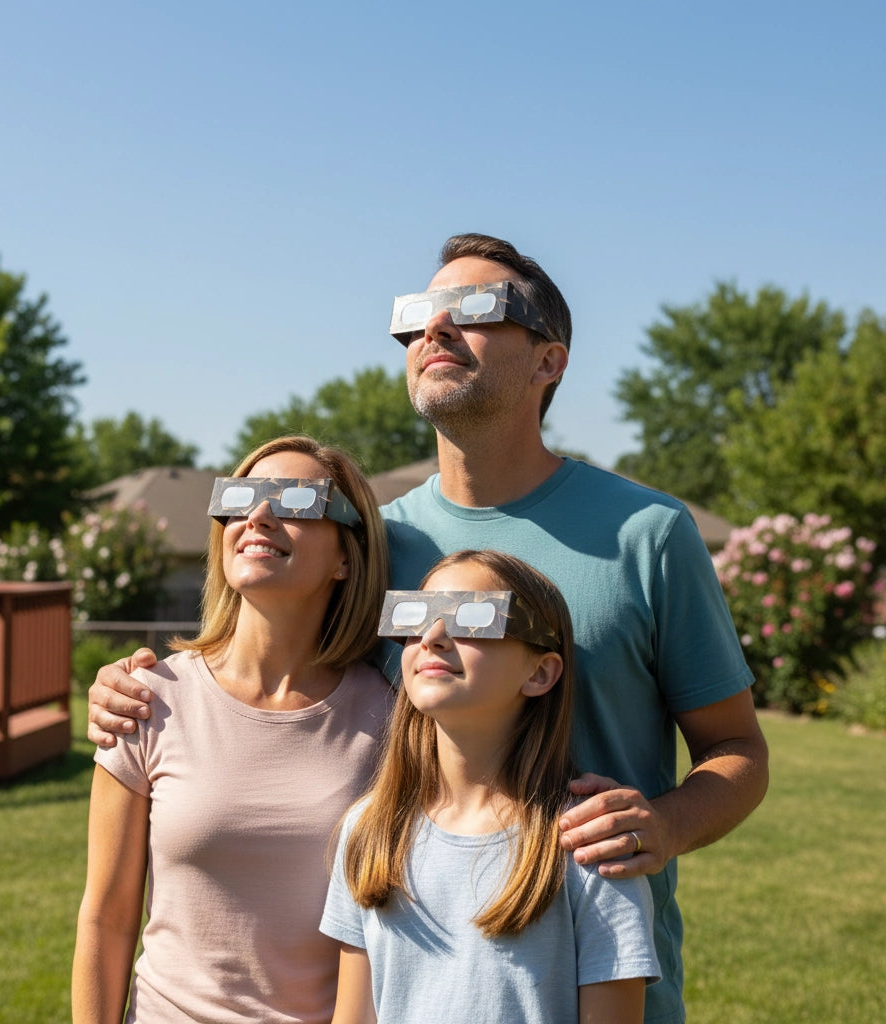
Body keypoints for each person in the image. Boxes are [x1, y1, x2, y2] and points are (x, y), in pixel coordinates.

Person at [87, 234, 769, 1023]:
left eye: (475, 310)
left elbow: (738, 750)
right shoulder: (369, 546)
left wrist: (664, 824)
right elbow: (266, 687)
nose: (434, 332)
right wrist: (139, 690)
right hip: (412, 988)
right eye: (417, 318)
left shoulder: (648, 534)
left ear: (549, 363)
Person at [72, 436, 392, 1024]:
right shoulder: (145, 698)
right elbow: (107, 917)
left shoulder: (392, 721)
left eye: (297, 502)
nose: (259, 516)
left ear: (346, 555)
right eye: (241, 498)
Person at [322, 549, 660, 1024]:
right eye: (418, 616)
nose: (434, 636)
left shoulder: (588, 843)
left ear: (540, 672)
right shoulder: (368, 828)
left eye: (474, 618)